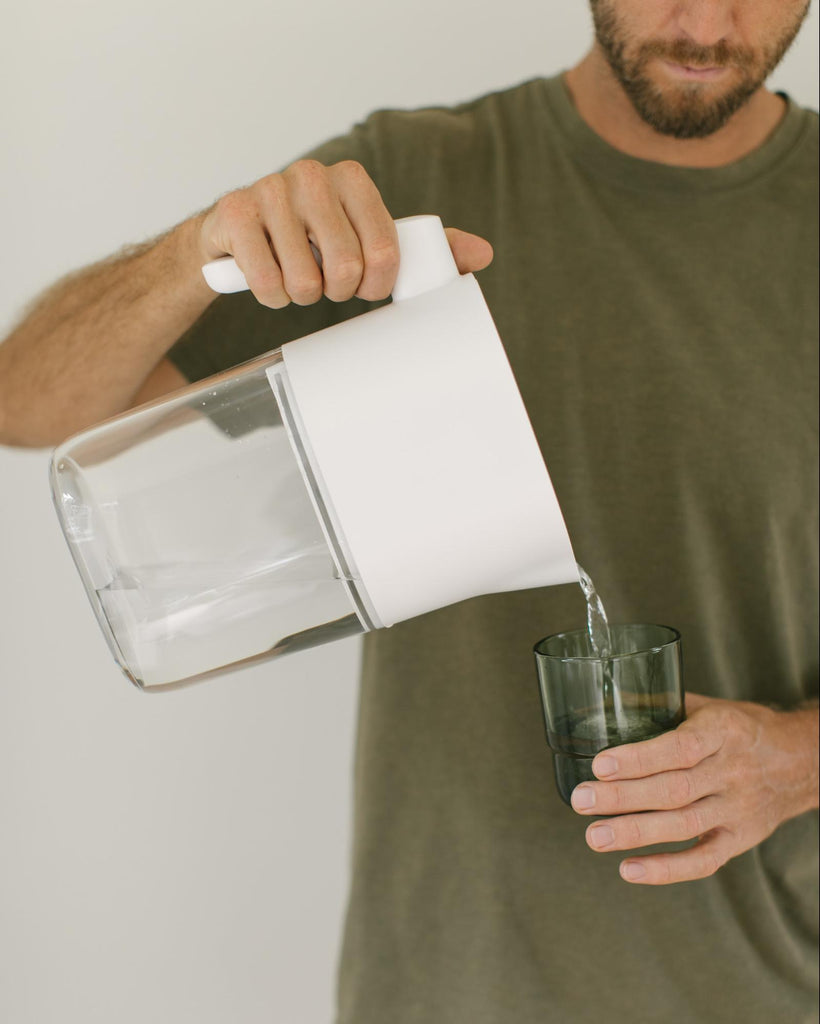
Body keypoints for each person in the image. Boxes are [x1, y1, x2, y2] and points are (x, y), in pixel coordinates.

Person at [1, 1, 817, 1020]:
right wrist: (190, 254)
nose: (705, 20)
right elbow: (26, 404)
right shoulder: (408, 181)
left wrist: (798, 758)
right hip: (440, 985)